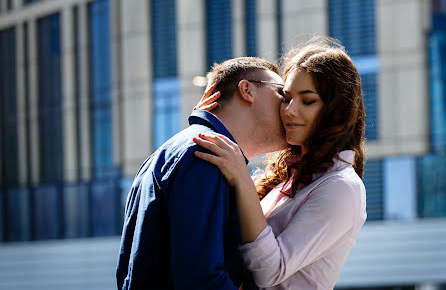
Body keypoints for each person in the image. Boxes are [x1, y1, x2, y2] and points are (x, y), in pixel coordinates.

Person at [193, 36, 367, 290]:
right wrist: (210, 121)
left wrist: (241, 178)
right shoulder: (288, 174)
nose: (289, 110)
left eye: (307, 101)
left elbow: (269, 272)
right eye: (286, 97)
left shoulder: (342, 187)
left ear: (336, 110)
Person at [116, 57, 289, 289]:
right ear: (247, 90)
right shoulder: (204, 155)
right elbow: (202, 281)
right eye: (282, 94)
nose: (289, 107)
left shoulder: (177, 151)